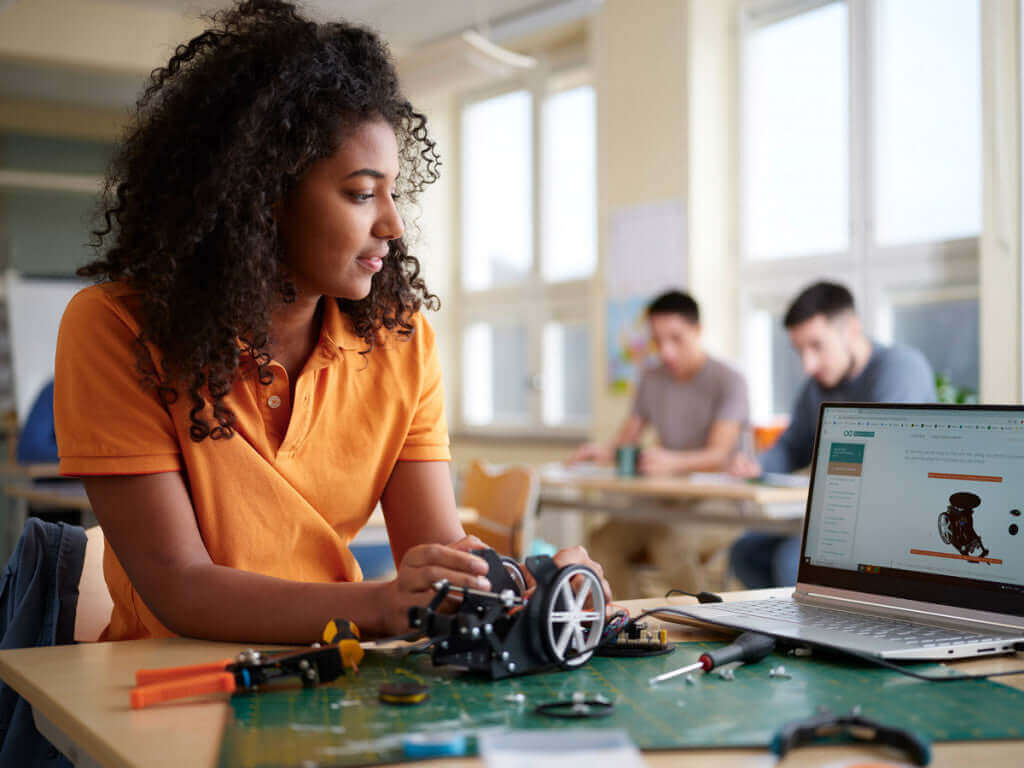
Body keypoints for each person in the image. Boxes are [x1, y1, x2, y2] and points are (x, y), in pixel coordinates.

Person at [53, 0, 608, 645]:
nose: (393, 226)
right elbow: (180, 585)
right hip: (164, 689)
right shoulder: (116, 328)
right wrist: (378, 605)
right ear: (262, 196)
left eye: (394, 192)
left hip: (333, 670)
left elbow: (433, 552)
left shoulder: (401, 340)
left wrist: (526, 584)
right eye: (360, 193)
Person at [729, 281, 936, 588]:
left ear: (851, 329)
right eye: (800, 351)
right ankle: (782, 632)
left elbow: (884, 459)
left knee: (792, 560)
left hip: (894, 522)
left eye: (816, 346)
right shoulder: (817, 386)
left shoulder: (900, 368)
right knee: (746, 552)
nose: (808, 364)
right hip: (840, 518)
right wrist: (758, 465)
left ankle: (810, 634)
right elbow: (792, 444)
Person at [571, 290, 749, 597]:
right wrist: (599, 454)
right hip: (665, 500)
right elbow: (626, 440)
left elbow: (720, 455)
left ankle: (706, 626)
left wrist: (672, 461)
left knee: (670, 541)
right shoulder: (652, 378)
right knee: (601, 542)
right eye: (658, 340)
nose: (666, 351)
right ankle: (628, 626)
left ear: (698, 331)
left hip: (722, 502)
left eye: (676, 339)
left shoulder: (729, 380)